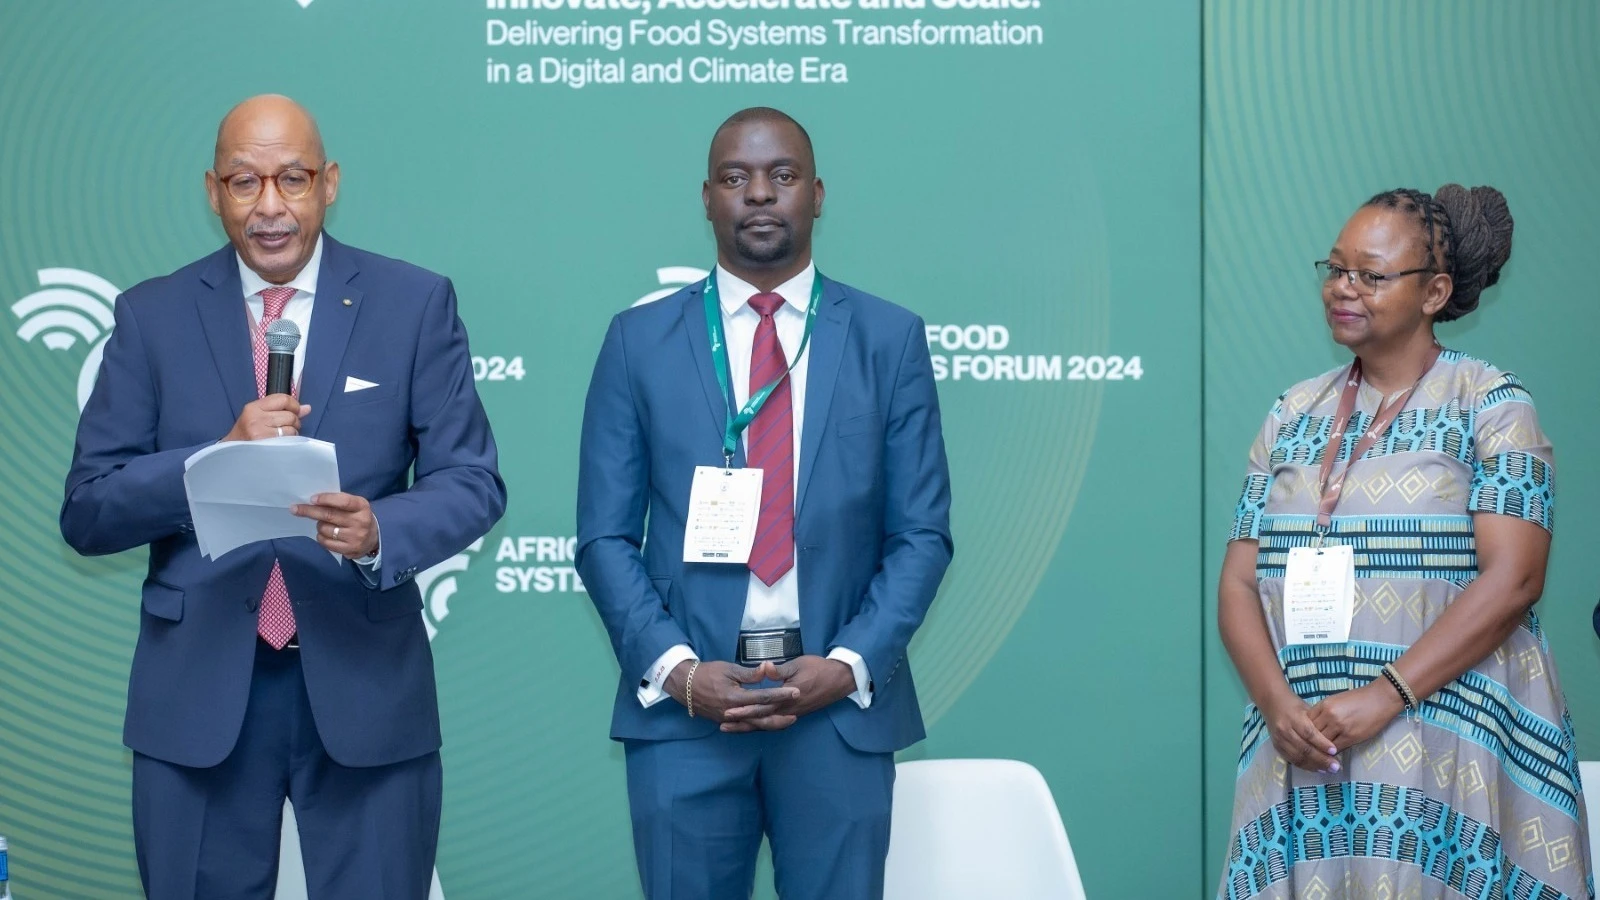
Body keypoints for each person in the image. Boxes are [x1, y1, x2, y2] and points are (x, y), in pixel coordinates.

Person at [60, 95, 506, 899]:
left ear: (329, 183)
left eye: (293, 179)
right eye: (244, 182)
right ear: (212, 190)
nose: (270, 206)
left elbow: (472, 481)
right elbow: (89, 511)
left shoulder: (413, 304)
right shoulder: (151, 316)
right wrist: (212, 460)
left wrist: (378, 531)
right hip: (198, 699)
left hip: (367, 687)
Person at [576, 107, 953, 900]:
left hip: (836, 717)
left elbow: (920, 535)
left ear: (817, 195)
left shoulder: (889, 339)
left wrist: (847, 667)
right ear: (706, 198)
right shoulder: (635, 342)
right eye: (736, 178)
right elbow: (604, 538)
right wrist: (680, 674)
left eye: (781, 176)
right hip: (686, 716)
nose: (759, 195)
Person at [1217, 185, 1589, 899]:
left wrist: (1387, 695)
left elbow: (1514, 579)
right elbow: (1238, 584)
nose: (1342, 289)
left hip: (1446, 742)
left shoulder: (1491, 403)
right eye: (1334, 269)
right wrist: (1276, 708)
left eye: (1371, 275)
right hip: (1305, 745)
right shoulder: (1291, 412)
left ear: (1434, 292)